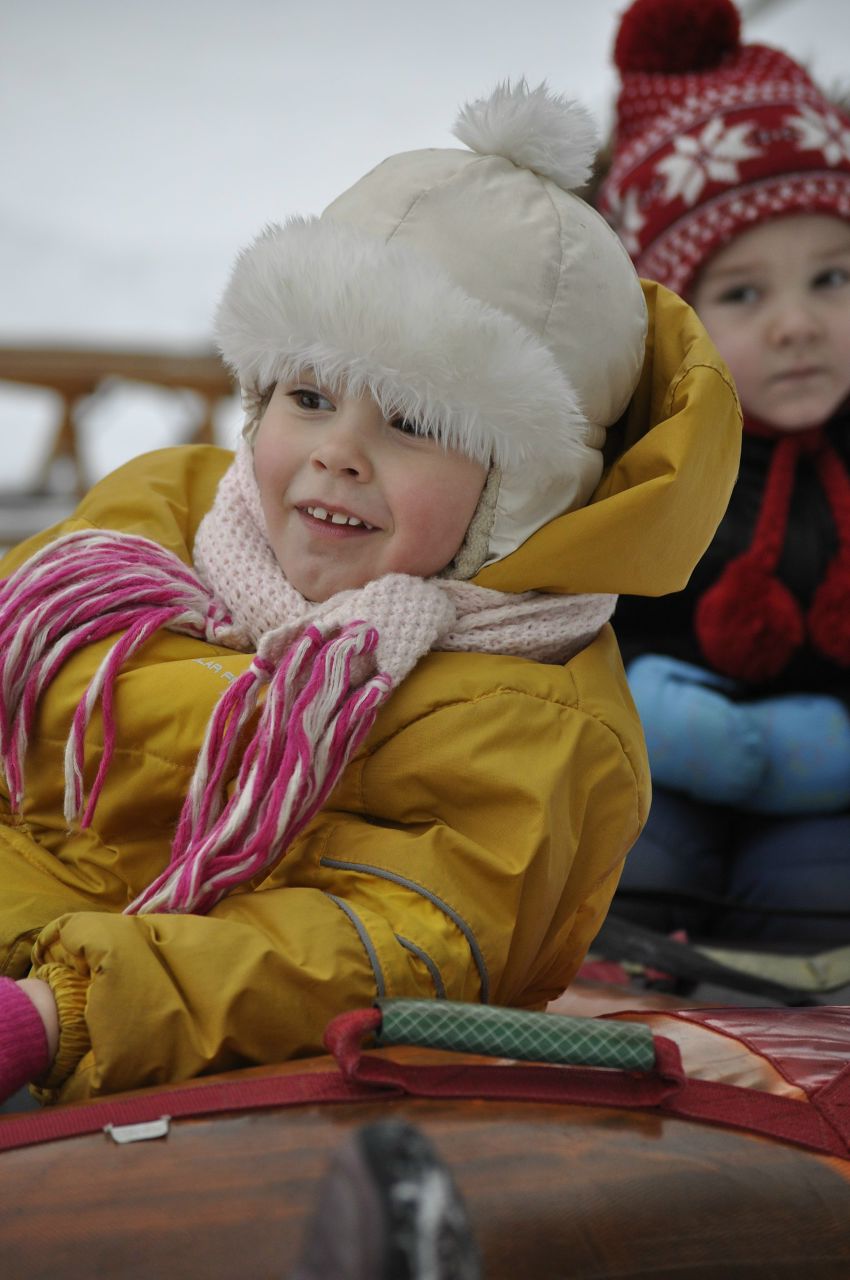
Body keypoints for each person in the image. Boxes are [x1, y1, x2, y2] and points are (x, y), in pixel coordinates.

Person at [0, 78, 739, 1106]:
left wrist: (62, 1008)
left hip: (136, 1063)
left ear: (517, 491)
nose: (338, 453)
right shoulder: (157, 516)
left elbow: (388, 943)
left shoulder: (521, 712)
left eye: (412, 420)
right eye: (308, 397)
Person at [598, 0, 850, 945]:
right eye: (746, 293)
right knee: (629, 887)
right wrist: (634, 697)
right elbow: (560, 601)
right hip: (656, 765)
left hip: (834, 790)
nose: (799, 324)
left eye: (834, 278)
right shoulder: (635, 443)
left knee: (813, 913)